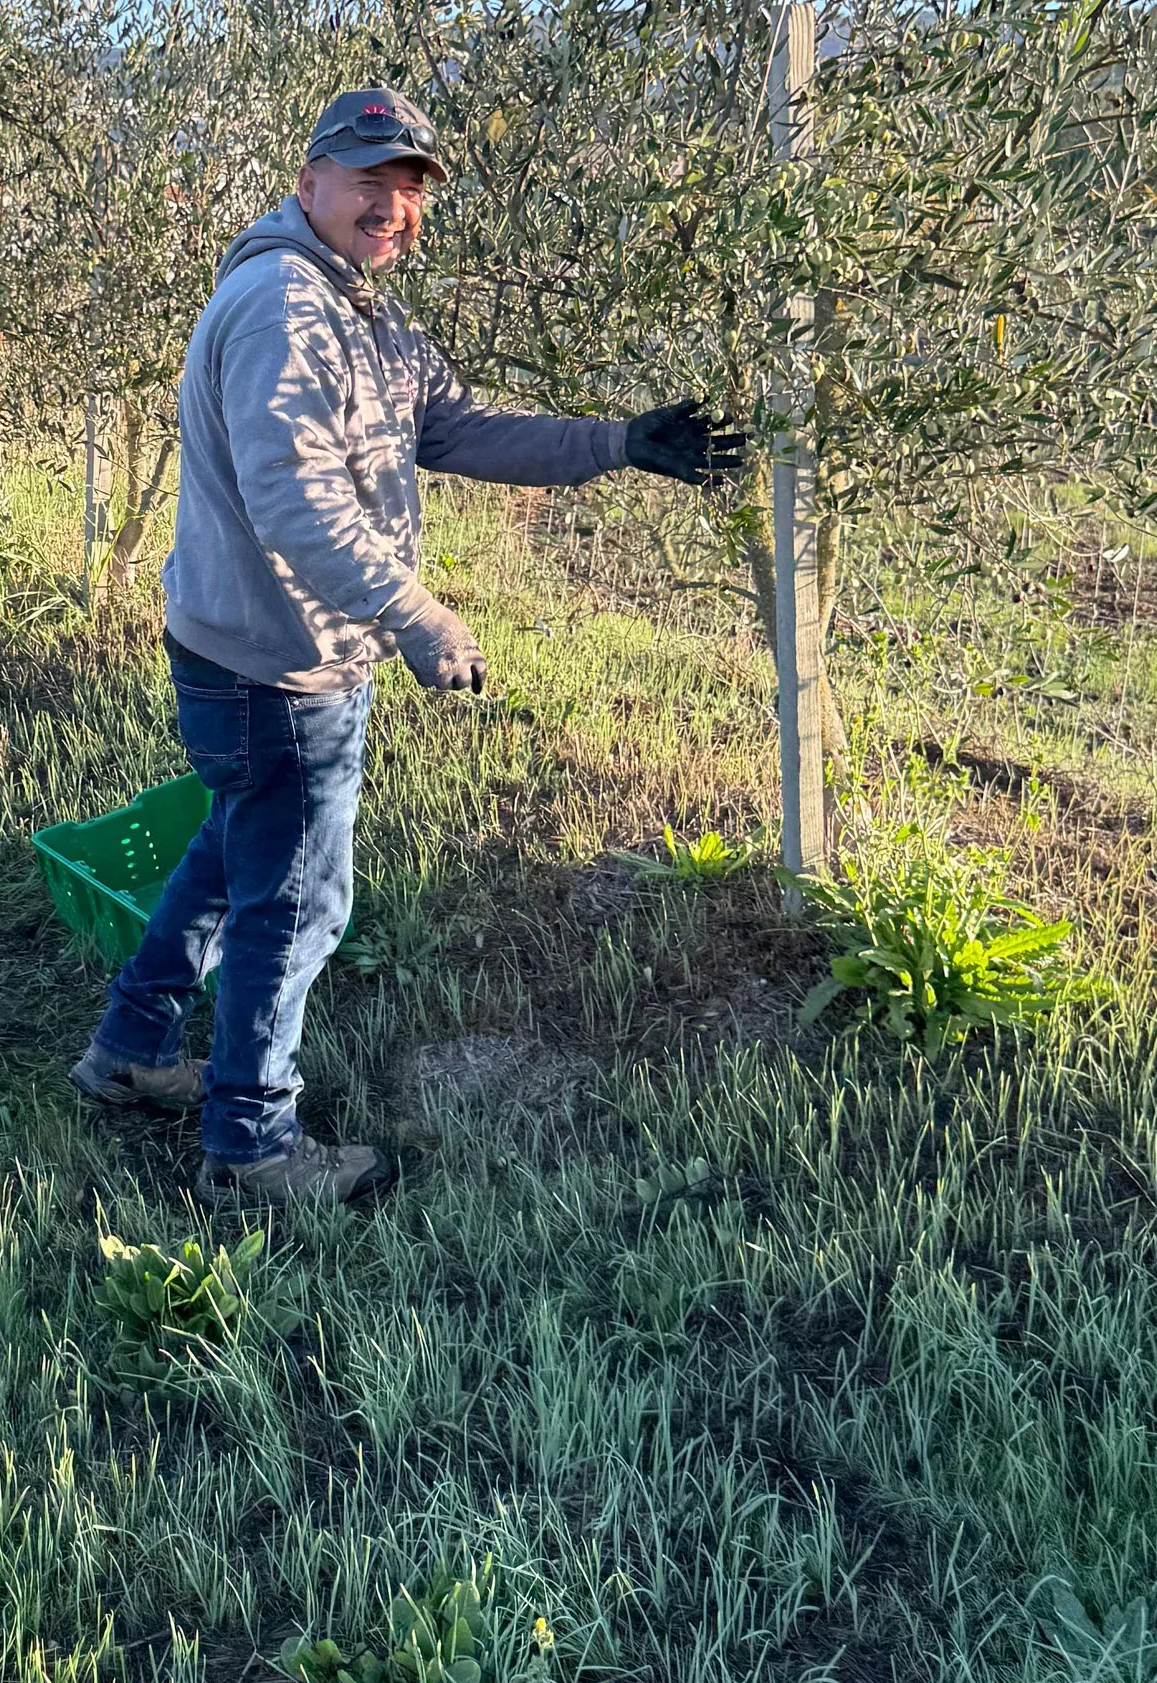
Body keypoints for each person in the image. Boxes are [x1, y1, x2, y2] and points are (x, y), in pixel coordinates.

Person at [71, 86, 745, 1208]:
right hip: (276, 661)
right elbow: (296, 504)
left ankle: (130, 1050)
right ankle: (250, 1145)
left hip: (256, 645)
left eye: (409, 187)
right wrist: (419, 617)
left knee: (236, 853)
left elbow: (457, 427)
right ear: (309, 184)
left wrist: (617, 443)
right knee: (295, 900)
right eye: (369, 180)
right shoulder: (286, 306)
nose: (392, 205)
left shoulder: (357, 307)